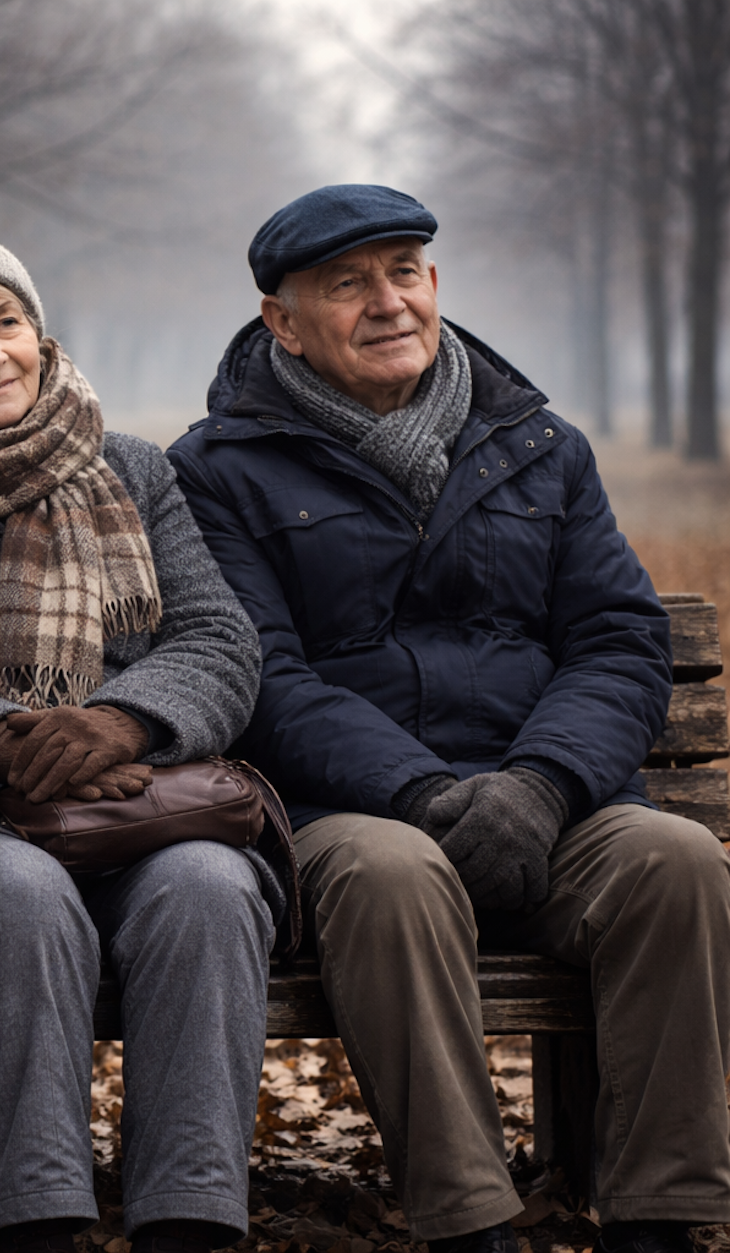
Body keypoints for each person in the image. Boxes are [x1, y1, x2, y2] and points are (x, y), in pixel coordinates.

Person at [167, 184, 730, 1253]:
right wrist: (424, 790)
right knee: (393, 874)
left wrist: (541, 785)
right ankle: (470, 1220)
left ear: (434, 284)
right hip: (357, 811)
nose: (387, 303)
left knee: (673, 857)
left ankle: (661, 1216)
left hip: (548, 798)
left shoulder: (537, 443)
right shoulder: (215, 470)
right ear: (278, 321)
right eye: (346, 284)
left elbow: (616, 638)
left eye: (404, 272)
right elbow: (263, 678)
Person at [0, 226, 280, 1253]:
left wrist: (123, 720)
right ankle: (37, 1219)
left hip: (139, 797)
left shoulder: (131, 470)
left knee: (208, 887)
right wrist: (3, 738)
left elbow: (216, 636)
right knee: (15, 895)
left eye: (7, 321)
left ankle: (191, 1217)